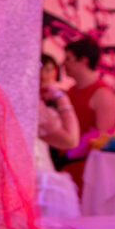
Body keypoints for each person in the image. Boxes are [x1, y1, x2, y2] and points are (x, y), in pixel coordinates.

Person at [61, 36, 115, 191]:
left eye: (68, 59)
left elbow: (103, 136)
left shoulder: (102, 94)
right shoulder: (71, 91)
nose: (63, 63)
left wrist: (69, 154)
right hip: (66, 167)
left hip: (87, 171)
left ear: (84, 61)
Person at [35, 54, 80, 217]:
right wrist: (62, 99)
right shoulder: (33, 105)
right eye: (40, 69)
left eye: (48, 70)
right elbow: (70, 139)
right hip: (37, 179)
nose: (43, 75)